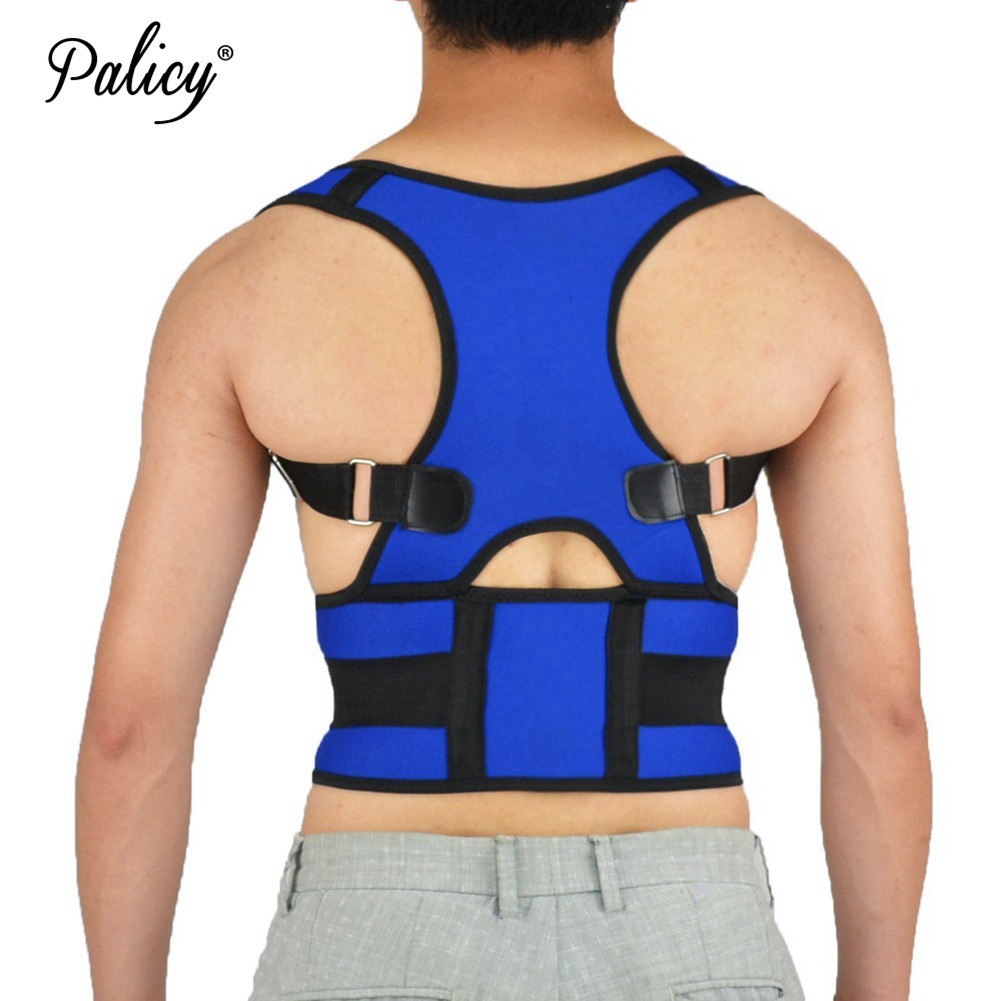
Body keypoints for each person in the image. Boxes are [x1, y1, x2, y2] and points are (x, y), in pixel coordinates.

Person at [76, 2, 931, 1000]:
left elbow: (131, 724)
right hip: (690, 928)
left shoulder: (249, 282)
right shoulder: (798, 282)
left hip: (374, 930)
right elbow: (882, 715)